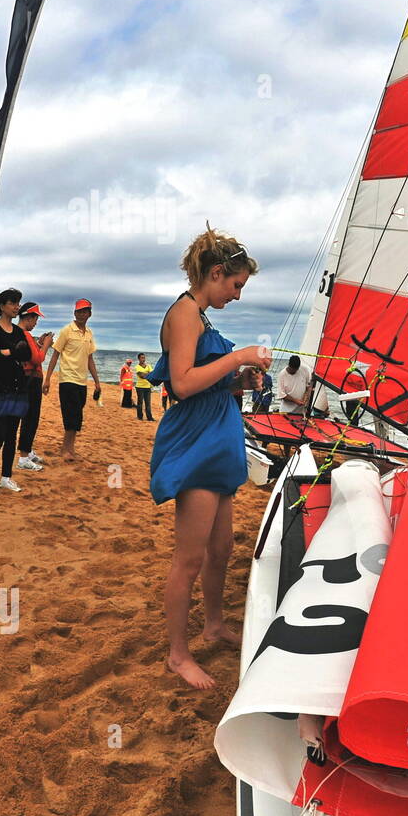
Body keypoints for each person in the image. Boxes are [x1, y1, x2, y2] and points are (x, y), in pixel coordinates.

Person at [147, 228, 269, 689]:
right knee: (190, 558)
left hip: (218, 440)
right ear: (215, 273)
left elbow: (205, 380)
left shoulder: (202, 317)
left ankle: (214, 624)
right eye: (235, 285)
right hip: (196, 442)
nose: (236, 295)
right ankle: (178, 655)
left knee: (222, 549)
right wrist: (238, 356)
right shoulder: (184, 313)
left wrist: (238, 382)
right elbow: (180, 383)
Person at [0, 289, 32, 495]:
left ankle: (6, 478)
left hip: (17, 388)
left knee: (12, 437)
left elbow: (27, 353)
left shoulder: (19, 331)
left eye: (18, 303)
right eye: (13, 303)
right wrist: (13, 351)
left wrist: (8, 352)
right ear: (2, 306)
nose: (16, 307)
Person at [42, 298, 100, 461]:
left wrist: (96, 381)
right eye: (79, 311)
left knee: (77, 416)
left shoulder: (89, 333)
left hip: (82, 381)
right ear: (75, 313)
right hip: (67, 379)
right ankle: (64, 449)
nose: (82, 314)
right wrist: (47, 379)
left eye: (85, 311)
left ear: (90, 313)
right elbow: (55, 355)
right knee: (70, 415)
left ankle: (70, 448)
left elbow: (90, 359)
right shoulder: (66, 330)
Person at [15, 302, 52, 471]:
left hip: (28, 380)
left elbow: (30, 354)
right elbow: (37, 359)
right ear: (28, 317)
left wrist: (39, 344)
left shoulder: (21, 334)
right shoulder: (24, 334)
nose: (36, 322)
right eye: (35, 318)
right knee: (30, 418)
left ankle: (27, 451)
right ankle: (23, 457)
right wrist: (46, 345)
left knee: (30, 418)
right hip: (30, 381)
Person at [134, 352, 155, 421]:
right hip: (139, 387)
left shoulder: (148, 366)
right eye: (142, 358)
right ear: (139, 359)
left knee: (148, 403)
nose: (143, 359)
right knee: (140, 403)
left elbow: (152, 374)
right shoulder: (137, 367)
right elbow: (141, 376)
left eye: (144, 357)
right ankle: (140, 417)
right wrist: (148, 373)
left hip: (147, 387)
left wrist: (146, 374)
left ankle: (149, 417)